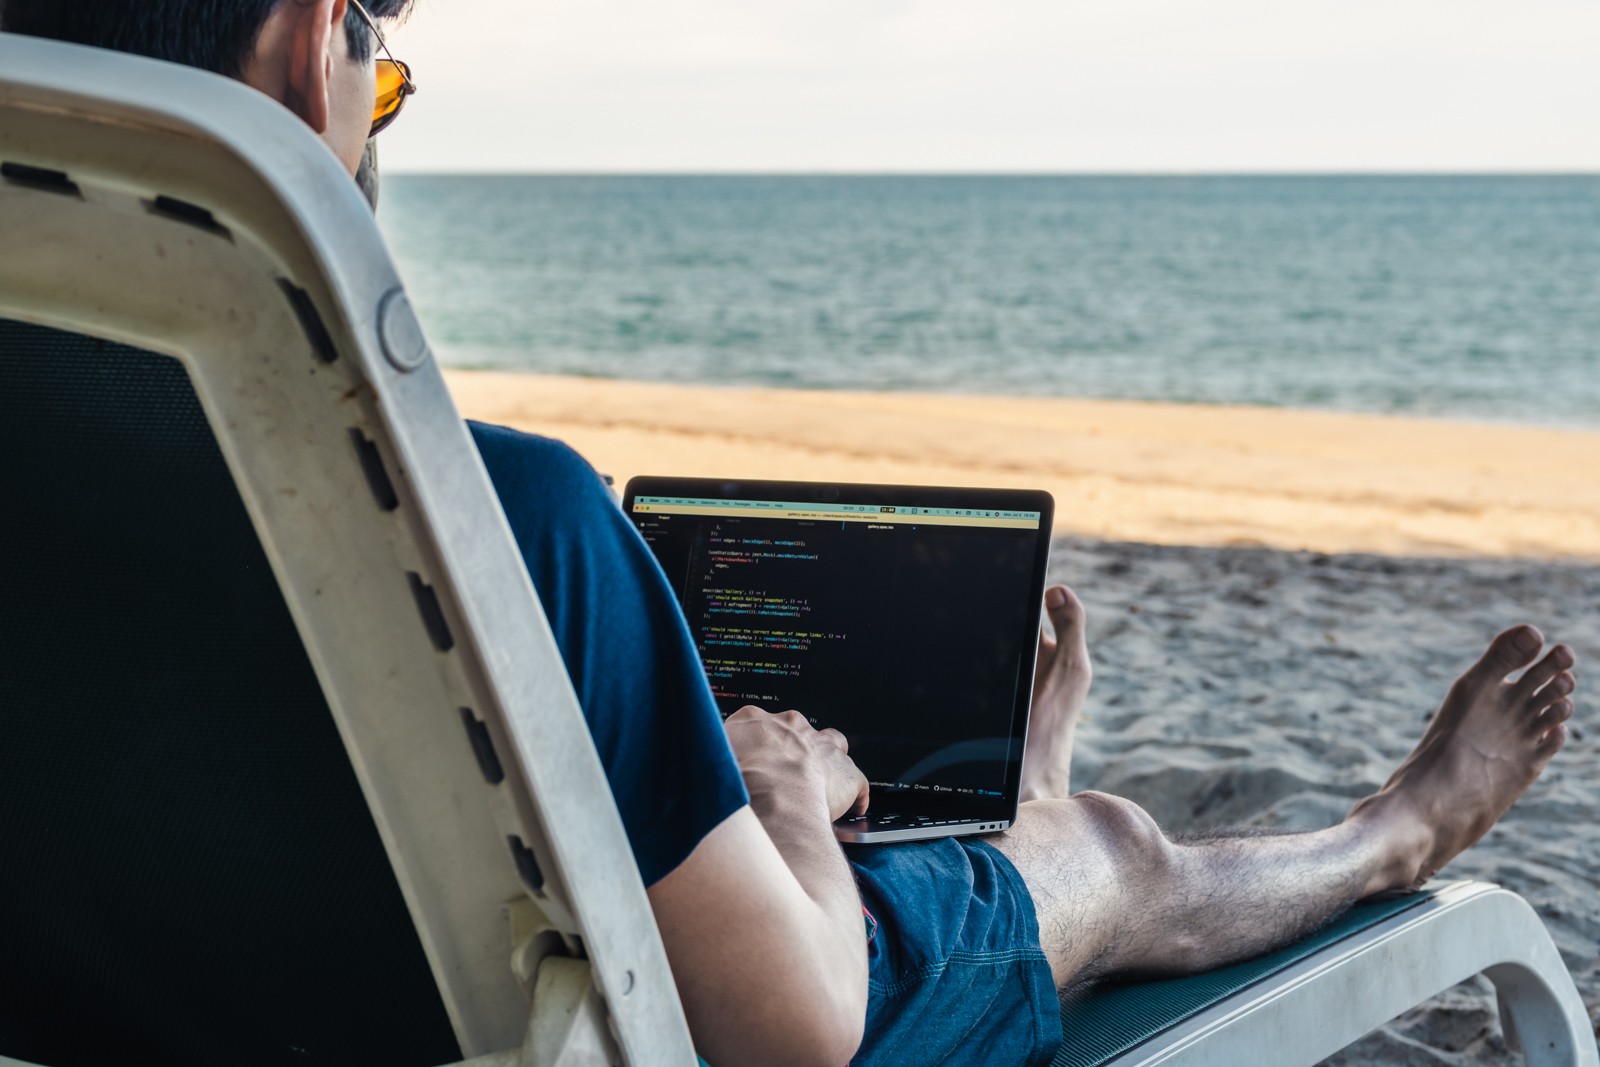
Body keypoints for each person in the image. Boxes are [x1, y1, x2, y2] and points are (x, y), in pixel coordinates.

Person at [0, 3, 1577, 1065]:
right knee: (1101, 850)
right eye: (380, 75)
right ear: (295, 47)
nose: (373, 120)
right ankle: (1389, 835)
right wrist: (790, 803)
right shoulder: (504, 530)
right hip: (619, 1010)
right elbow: (795, 1029)